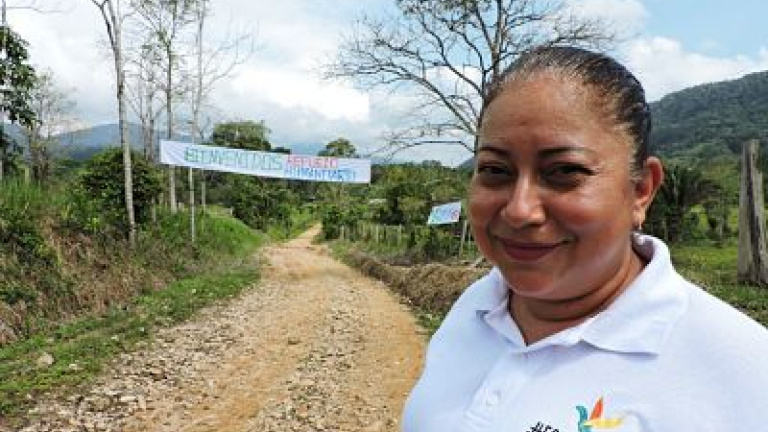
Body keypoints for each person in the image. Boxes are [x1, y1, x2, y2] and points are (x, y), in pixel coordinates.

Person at [402, 45, 768, 432]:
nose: (520, 210)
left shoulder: (743, 372)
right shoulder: (476, 307)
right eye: (495, 170)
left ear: (641, 189)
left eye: (564, 172)